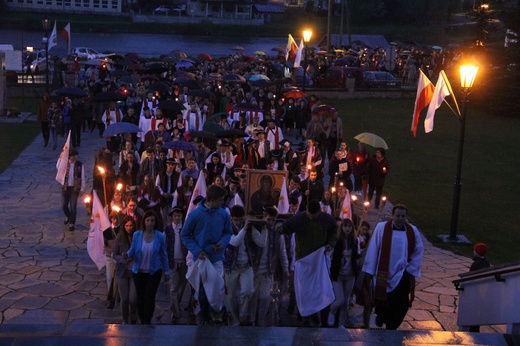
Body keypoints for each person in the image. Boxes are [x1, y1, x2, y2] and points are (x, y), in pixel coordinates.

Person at [361, 204, 424, 330]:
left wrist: (411, 268)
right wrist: (370, 269)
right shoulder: (382, 228)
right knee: (383, 301)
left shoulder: (412, 231)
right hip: (384, 271)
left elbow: (419, 250)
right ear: (392, 216)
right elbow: (374, 247)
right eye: (398, 216)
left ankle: (392, 324)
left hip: (402, 272)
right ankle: (381, 317)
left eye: (403, 216)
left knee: (402, 303)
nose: (400, 218)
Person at [280, 199, 338, 327]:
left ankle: (320, 317)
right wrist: (281, 228)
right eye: (309, 215)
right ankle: (305, 316)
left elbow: (335, 230)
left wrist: (330, 244)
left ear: (319, 212)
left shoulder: (327, 219)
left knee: (320, 289)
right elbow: (287, 226)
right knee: (304, 291)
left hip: (319, 261)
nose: (311, 218)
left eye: (314, 216)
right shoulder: (299, 218)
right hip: (303, 261)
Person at [181, 185, 233, 325]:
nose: (223, 202)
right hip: (201, 258)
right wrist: (197, 251)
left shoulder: (223, 214)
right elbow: (185, 235)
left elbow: (228, 232)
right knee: (203, 290)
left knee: (216, 288)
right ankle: (204, 317)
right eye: (221, 199)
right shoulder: (195, 215)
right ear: (213, 199)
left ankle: (215, 313)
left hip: (216, 258)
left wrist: (222, 243)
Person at [223, 205, 265, 326]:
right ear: (231, 219)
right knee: (229, 296)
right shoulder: (227, 228)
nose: (238, 222)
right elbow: (234, 242)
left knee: (247, 291)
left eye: (240, 219)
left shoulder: (249, 227)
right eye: (236, 219)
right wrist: (245, 229)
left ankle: (243, 314)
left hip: (246, 265)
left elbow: (261, 243)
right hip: (231, 267)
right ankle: (234, 321)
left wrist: (265, 229)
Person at [126, 210, 170, 325]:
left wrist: (167, 271)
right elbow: (132, 250)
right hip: (139, 272)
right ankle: (141, 317)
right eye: (148, 220)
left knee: (149, 296)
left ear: (155, 222)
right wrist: (126, 255)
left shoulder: (160, 236)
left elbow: (163, 254)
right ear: (144, 221)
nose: (150, 223)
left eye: (152, 220)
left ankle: (147, 320)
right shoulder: (137, 235)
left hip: (154, 272)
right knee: (140, 297)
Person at [328, 218, 360, 327]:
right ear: (341, 228)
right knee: (340, 299)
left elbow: (357, 255)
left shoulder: (356, 241)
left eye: (349, 226)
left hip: (350, 275)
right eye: (345, 226)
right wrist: (329, 271)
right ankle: (332, 311)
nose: (347, 228)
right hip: (338, 275)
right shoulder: (337, 241)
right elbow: (330, 257)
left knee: (346, 302)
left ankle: (341, 324)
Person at [164, 206, 188, 324]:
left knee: (182, 286)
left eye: (179, 216)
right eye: (175, 216)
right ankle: (176, 313)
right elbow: (166, 245)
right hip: (173, 261)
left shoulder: (185, 228)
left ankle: (176, 304)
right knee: (173, 287)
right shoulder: (168, 229)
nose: (177, 218)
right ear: (172, 217)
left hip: (184, 261)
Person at [112, 216, 138, 324]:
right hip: (122, 272)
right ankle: (124, 319)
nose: (129, 228)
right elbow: (114, 255)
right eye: (127, 226)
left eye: (131, 225)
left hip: (134, 271)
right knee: (125, 298)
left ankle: (134, 315)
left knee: (133, 298)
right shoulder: (119, 237)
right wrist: (123, 259)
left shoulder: (137, 237)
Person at [468, 243, 491, 332]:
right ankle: (475, 328)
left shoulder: (476, 264)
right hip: (482, 292)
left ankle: (472, 330)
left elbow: (470, 278)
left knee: (473, 311)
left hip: (475, 291)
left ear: (477, 252)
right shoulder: (486, 263)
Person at [62, 149, 85, 231]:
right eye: (73, 156)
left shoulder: (80, 165)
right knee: (64, 205)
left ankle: (72, 223)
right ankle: (68, 215)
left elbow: (82, 177)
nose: (75, 157)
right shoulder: (64, 164)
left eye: (76, 155)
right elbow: (58, 166)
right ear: (70, 156)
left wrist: (82, 188)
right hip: (66, 187)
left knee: (73, 207)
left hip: (74, 188)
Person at [103, 211, 121, 309]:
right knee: (110, 277)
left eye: (117, 218)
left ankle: (117, 296)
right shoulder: (107, 230)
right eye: (113, 218)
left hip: (118, 256)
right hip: (109, 256)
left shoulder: (122, 229)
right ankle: (111, 297)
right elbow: (105, 243)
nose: (115, 220)